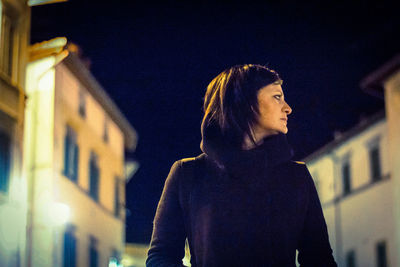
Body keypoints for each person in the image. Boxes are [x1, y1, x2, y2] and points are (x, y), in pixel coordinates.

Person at [146, 64, 337, 266]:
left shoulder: (296, 177)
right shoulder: (188, 174)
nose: (288, 108)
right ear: (245, 103)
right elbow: (161, 256)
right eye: (277, 97)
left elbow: (319, 259)